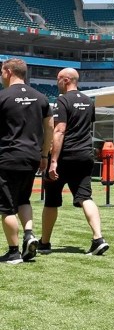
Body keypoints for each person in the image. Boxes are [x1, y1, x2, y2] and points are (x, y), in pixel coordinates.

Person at [39, 67, 109, 256]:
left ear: (66, 80)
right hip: (85, 155)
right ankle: (98, 238)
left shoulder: (62, 101)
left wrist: (53, 160)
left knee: (51, 201)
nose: (57, 83)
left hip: (65, 156)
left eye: (58, 79)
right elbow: (87, 128)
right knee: (85, 197)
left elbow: (59, 131)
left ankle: (44, 243)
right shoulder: (88, 101)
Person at [0, 58, 54, 264]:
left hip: (8, 156)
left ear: (8, 72)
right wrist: (44, 155)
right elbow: (50, 127)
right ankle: (29, 234)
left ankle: (13, 252)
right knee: (23, 198)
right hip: (32, 157)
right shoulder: (40, 98)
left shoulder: (3, 97)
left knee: (6, 206)